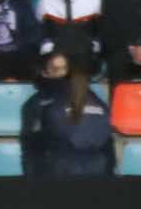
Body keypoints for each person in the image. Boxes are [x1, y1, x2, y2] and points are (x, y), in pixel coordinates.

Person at [19, 48, 116, 179]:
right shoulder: (93, 98)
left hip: (61, 174)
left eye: (62, 68)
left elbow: (30, 150)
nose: (59, 72)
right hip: (90, 174)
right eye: (55, 67)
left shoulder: (36, 103)